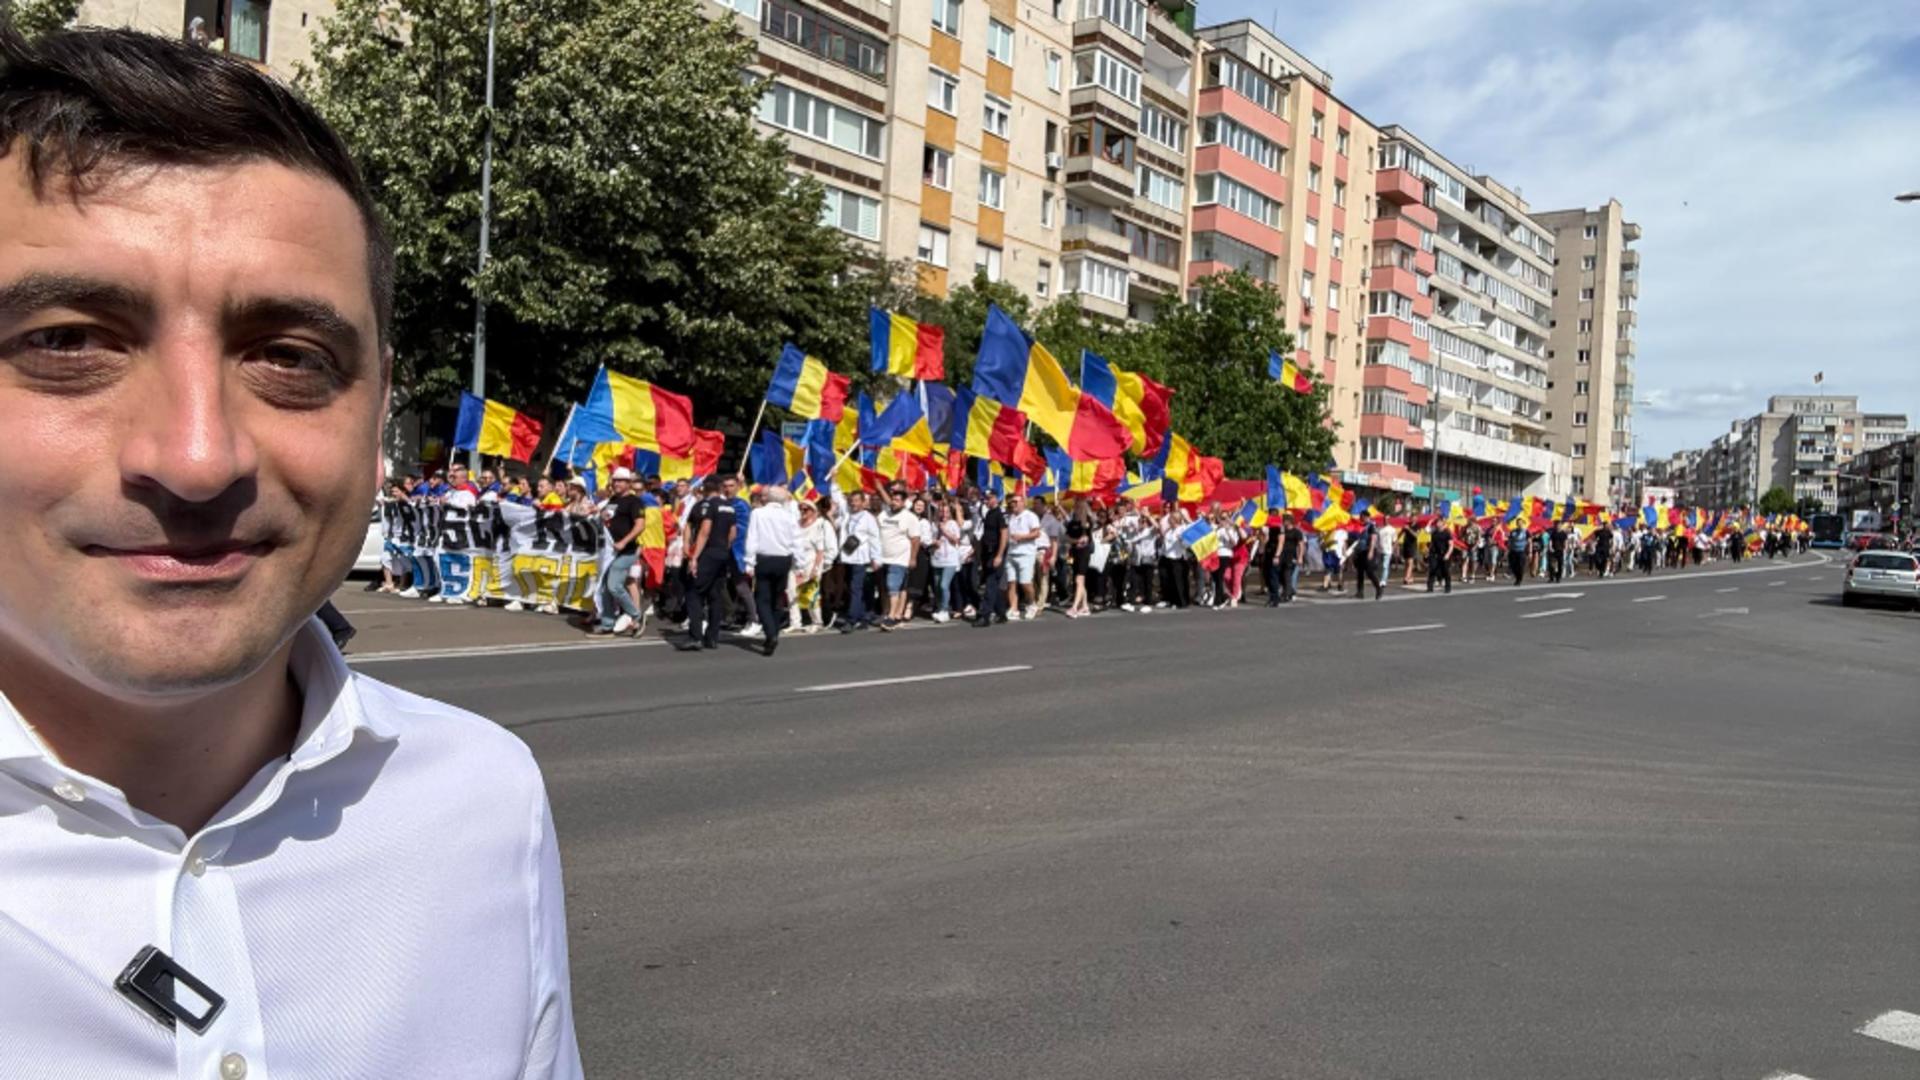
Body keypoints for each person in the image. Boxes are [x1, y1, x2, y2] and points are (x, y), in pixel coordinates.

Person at [0, 28, 581, 1074]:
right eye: (68, 342)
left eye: (289, 358)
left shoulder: (483, 800)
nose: (196, 455)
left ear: (379, 404)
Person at [681, 476, 737, 650]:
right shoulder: (729, 507)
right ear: (720, 487)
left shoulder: (705, 505)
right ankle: (712, 637)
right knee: (715, 595)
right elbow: (733, 533)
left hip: (707, 552)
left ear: (704, 488)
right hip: (722, 553)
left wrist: (694, 556)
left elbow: (704, 531)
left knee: (694, 593)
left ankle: (695, 636)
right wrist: (723, 549)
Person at [743, 486, 799, 656]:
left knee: (762, 599)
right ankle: (772, 632)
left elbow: (752, 538)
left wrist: (749, 562)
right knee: (777, 598)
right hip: (783, 559)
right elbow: (796, 540)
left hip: (765, 559)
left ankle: (771, 633)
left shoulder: (758, 514)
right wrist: (799, 563)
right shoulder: (789, 516)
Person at [877, 488, 921, 630]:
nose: (894, 503)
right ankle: (892, 614)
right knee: (887, 588)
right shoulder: (884, 514)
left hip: (899, 559)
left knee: (893, 587)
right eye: (892, 499)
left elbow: (915, 540)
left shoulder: (909, 518)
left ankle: (891, 617)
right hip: (883, 558)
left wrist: (913, 558)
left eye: (897, 500)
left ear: (903, 502)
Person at [839, 491, 881, 632]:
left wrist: (876, 558)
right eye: (852, 500)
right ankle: (862, 616)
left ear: (864, 502)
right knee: (855, 588)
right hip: (847, 557)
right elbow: (838, 499)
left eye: (857, 500)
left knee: (855, 588)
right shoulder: (847, 515)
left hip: (860, 558)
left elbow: (875, 539)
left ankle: (851, 620)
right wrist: (834, 482)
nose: (853, 503)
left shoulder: (868, 518)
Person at [973, 488, 1009, 627]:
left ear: (995, 498)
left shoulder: (1000, 514)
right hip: (988, 553)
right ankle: (1001, 612)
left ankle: (985, 615)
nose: (986, 501)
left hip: (995, 552)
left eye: (989, 498)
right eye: (985, 498)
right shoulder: (989, 513)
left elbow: (1004, 535)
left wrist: (999, 555)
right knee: (993, 583)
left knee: (990, 583)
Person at [1004, 493, 1042, 620]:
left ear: (1023, 502)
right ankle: (1013, 608)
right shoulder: (1010, 517)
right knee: (1011, 582)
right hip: (1011, 552)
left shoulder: (1030, 516)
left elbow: (1037, 533)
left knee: (1025, 582)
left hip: (1026, 553)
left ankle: (1031, 604)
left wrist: (1022, 537)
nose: (1012, 504)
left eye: (1015, 501)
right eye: (1011, 502)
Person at [1065, 499, 1093, 618]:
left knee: (1079, 580)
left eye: (1080, 507)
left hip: (1084, 553)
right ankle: (1085, 606)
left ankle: (1075, 607)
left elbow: (1086, 529)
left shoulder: (1087, 522)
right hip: (1074, 553)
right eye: (1076, 507)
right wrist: (1075, 541)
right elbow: (1067, 537)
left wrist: (1084, 507)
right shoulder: (1071, 523)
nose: (1078, 509)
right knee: (1079, 581)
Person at [1279, 513, 1304, 603]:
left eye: (1285, 519)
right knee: (1280, 576)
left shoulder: (1297, 532)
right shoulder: (1282, 531)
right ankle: (1291, 591)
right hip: (1282, 557)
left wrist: (1300, 557)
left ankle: (1286, 595)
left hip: (1291, 557)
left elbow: (1301, 545)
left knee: (1287, 576)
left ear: (1289, 521)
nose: (1283, 521)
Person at [1506, 519, 1530, 585]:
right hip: (1513, 551)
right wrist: (1508, 549)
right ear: (1516, 524)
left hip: (1521, 551)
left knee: (1520, 566)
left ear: (1523, 524)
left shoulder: (1526, 531)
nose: (1519, 524)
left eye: (1521, 523)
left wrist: (1529, 551)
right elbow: (1509, 541)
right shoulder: (1513, 531)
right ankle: (1517, 577)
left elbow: (1529, 541)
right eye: (1518, 523)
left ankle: (1519, 579)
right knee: (1513, 565)